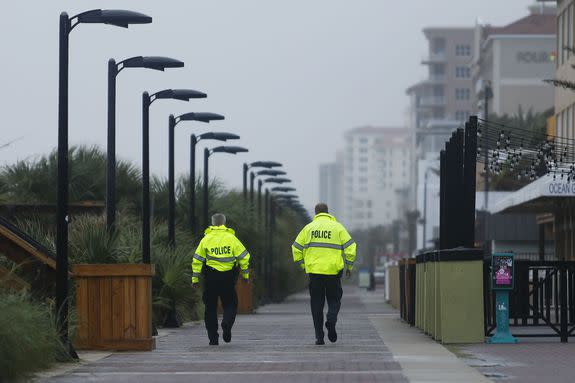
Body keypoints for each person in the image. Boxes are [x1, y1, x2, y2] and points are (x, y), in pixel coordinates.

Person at [292, 203, 356, 345]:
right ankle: (331, 319)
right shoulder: (337, 227)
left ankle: (319, 337)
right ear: (328, 212)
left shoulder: (308, 228)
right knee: (334, 300)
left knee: (316, 303)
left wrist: (304, 265)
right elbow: (351, 247)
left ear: (316, 213)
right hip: (333, 272)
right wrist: (349, 266)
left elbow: (296, 248)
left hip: (314, 272)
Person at [192, 213, 250, 345]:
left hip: (211, 277)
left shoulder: (206, 239)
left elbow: (197, 260)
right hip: (228, 277)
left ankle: (213, 339)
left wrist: (195, 278)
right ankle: (227, 324)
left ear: (212, 223)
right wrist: (245, 275)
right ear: (224, 223)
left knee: (210, 308)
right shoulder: (232, 238)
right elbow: (244, 257)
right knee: (230, 304)